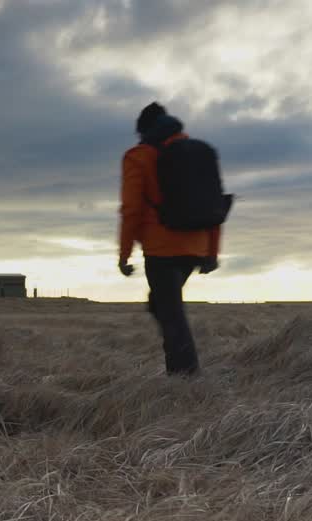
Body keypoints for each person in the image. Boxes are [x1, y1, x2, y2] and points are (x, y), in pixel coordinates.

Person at [118, 102, 223, 377]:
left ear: (143, 130)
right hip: (196, 246)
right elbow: (214, 206)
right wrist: (212, 252)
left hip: (161, 249)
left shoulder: (138, 157)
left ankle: (186, 380)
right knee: (161, 306)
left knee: (171, 316)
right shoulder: (199, 153)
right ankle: (182, 374)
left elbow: (131, 210)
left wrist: (124, 255)